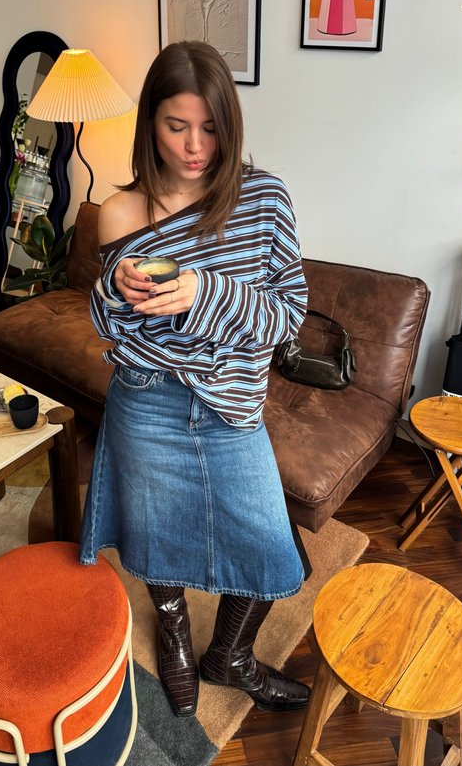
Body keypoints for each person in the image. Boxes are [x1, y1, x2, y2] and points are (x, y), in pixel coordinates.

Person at [80, 40, 310, 718]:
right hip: (147, 403)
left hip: (232, 408)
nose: (194, 146)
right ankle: (177, 634)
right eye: (176, 126)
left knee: (275, 553)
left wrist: (202, 292)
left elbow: (287, 315)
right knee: (156, 539)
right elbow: (110, 331)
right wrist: (114, 290)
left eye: (210, 127)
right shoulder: (121, 211)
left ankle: (230, 654)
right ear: (151, 121)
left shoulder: (263, 196)